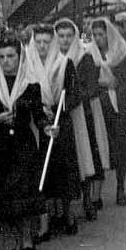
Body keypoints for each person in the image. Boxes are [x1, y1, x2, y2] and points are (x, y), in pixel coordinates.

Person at [0, 33, 57, 250]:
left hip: (23, 145)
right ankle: (17, 242)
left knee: (23, 192)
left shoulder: (30, 86)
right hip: (1, 146)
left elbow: (39, 117)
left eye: (11, 56)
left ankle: (28, 242)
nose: (6, 61)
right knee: (6, 195)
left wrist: (47, 128)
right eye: (1, 56)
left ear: (20, 57)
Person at [25, 24, 82, 237]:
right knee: (42, 172)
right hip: (39, 124)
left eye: (46, 42)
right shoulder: (28, 65)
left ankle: (68, 215)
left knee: (63, 169)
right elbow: (26, 94)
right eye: (38, 41)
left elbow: (75, 94)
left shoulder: (64, 64)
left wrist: (60, 109)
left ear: (53, 43)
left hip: (61, 123)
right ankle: (44, 223)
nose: (42, 46)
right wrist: (41, 117)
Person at [88, 18, 126, 206]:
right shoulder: (89, 54)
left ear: (109, 34)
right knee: (101, 147)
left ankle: (120, 188)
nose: (98, 39)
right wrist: (103, 83)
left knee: (121, 147)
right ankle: (97, 193)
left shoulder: (123, 51)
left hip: (120, 105)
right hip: (98, 104)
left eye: (101, 35)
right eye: (95, 35)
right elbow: (87, 81)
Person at [53, 19, 102, 222]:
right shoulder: (53, 59)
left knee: (85, 155)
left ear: (75, 37)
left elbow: (92, 87)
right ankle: (63, 209)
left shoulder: (84, 57)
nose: (65, 40)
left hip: (81, 112)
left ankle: (88, 202)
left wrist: (74, 96)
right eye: (61, 36)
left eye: (68, 36)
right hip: (59, 115)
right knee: (65, 160)